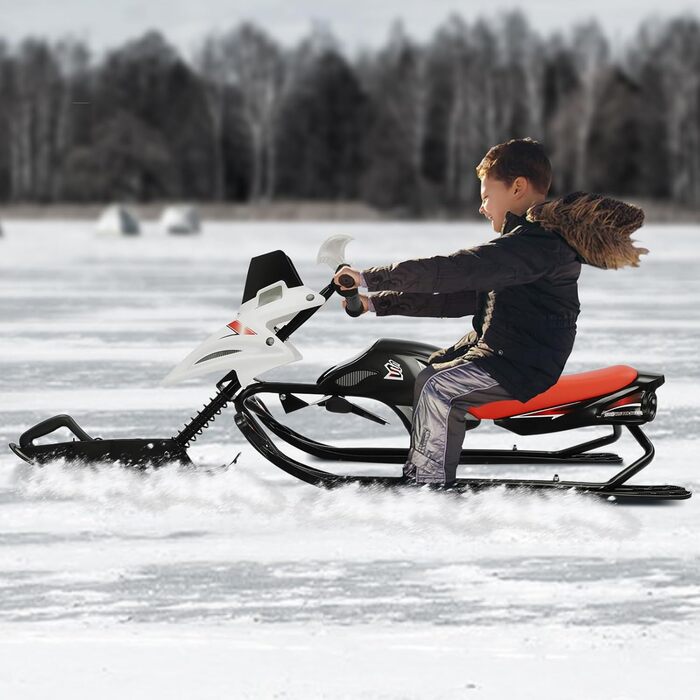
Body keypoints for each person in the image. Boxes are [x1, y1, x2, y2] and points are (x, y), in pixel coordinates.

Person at [333, 137, 648, 486]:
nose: (482, 208)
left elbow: (454, 270)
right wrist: (375, 302)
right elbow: (460, 298)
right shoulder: (523, 247)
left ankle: (427, 484)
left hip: (519, 366)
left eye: (486, 196)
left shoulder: (536, 247)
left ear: (517, 188)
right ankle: (434, 449)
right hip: (503, 354)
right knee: (424, 372)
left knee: (439, 389)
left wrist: (369, 277)